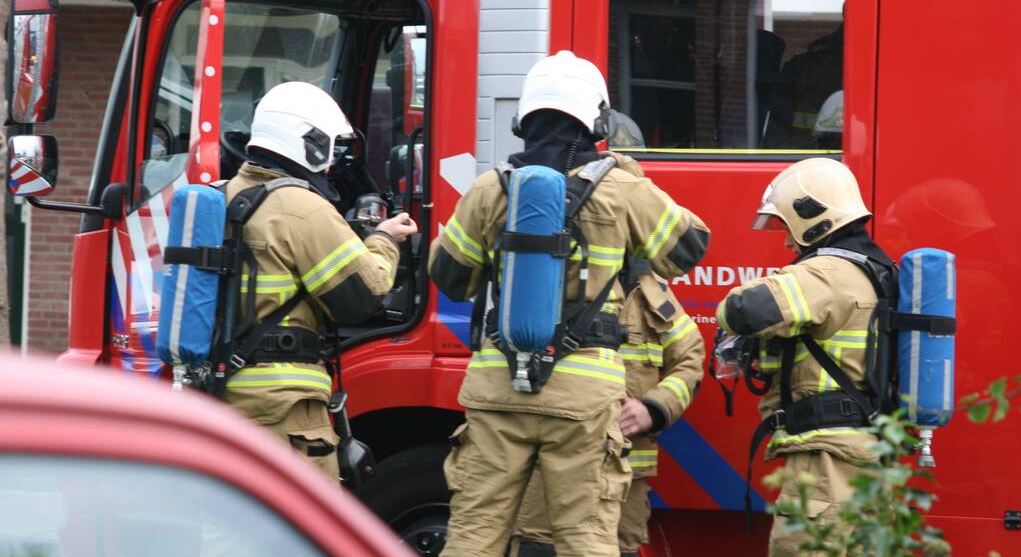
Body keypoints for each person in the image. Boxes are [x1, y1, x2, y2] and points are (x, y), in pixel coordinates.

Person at [429, 51, 710, 557]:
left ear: (524, 120)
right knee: (586, 540)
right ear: (598, 121)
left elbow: (449, 278)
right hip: (584, 395)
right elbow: (689, 248)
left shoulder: (491, 188)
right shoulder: (621, 187)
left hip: (497, 385)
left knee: (473, 536)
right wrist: (627, 172)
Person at [221, 81, 417, 480]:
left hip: (224, 395)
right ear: (308, 141)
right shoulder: (303, 207)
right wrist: (383, 239)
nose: (330, 164)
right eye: (329, 149)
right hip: (283, 411)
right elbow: (364, 297)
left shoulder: (223, 194)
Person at [715, 157, 894, 556]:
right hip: (865, 460)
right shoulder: (876, 270)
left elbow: (741, 310)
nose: (786, 242)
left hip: (825, 464)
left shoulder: (827, 271)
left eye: (786, 228)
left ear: (811, 217)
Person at [510, 256, 706, 557]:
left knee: (621, 550)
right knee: (542, 549)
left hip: (625, 474)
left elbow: (690, 358)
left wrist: (653, 408)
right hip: (552, 464)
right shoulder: (554, 274)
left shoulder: (650, 291)